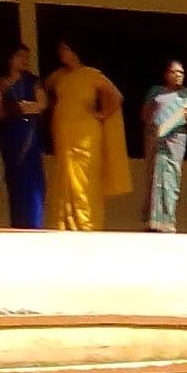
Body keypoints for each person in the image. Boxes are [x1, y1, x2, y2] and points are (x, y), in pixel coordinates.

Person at [44, 39, 133, 230]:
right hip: (65, 136)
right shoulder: (58, 77)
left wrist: (102, 114)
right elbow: (46, 89)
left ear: (75, 52)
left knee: (86, 182)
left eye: (65, 49)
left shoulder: (92, 74)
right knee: (64, 180)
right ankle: (65, 223)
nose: (61, 53)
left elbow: (116, 96)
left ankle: (87, 223)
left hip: (86, 137)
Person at [0, 42, 49, 229]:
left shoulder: (33, 81)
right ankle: (18, 226)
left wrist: (26, 107)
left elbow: (42, 105)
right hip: (11, 138)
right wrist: (19, 108)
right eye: (20, 56)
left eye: (26, 57)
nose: (24, 60)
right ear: (10, 59)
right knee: (16, 182)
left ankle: (35, 225)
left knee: (34, 182)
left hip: (30, 137)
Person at [145, 60, 187, 235]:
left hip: (177, 138)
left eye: (182, 72)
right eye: (175, 72)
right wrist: (154, 129)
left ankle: (168, 221)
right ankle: (155, 221)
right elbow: (145, 115)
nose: (179, 75)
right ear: (166, 74)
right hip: (156, 138)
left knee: (171, 179)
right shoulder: (156, 92)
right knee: (155, 177)